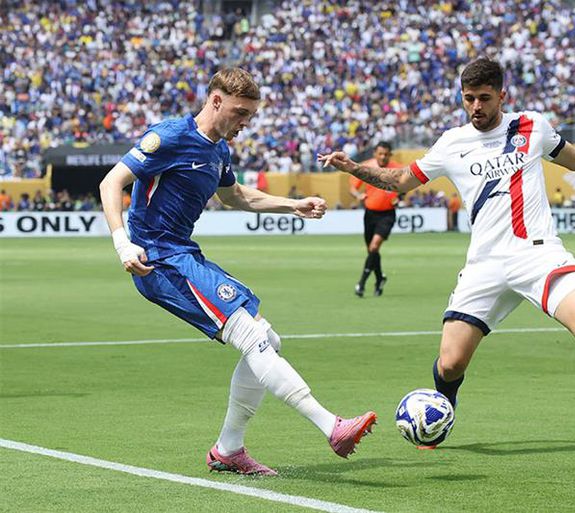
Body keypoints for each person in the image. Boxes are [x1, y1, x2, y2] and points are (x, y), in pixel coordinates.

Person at [319, 57, 575, 444]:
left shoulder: (531, 125)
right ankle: (441, 418)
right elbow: (402, 180)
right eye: (469, 99)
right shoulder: (452, 143)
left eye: (484, 98)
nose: (476, 107)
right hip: (485, 265)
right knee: (451, 362)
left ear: (502, 95)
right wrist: (355, 168)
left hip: (539, 254)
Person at [99, 67, 376, 477]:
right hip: (158, 258)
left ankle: (229, 449)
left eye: (249, 114)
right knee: (251, 335)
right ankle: (330, 425)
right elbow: (111, 182)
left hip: (183, 254)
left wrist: (292, 205)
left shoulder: (219, 151)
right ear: (215, 101)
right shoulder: (170, 136)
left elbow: (235, 196)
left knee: (267, 338)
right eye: (240, 112)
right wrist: (124, 242)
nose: (245, 123)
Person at [348, 141, 402, 297]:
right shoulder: (367, 167)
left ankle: (361, 283)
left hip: (387, 214)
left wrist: (399, 196)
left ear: (390, 155)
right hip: (370, 214)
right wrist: (358, 195)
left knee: (374, 247)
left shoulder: (397, 168)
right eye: (380, 154)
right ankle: (379, 279)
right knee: (372, 251)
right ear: (375, 154)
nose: (383, 157)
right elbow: (352, 187)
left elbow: (408, 185)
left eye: (386, 154)